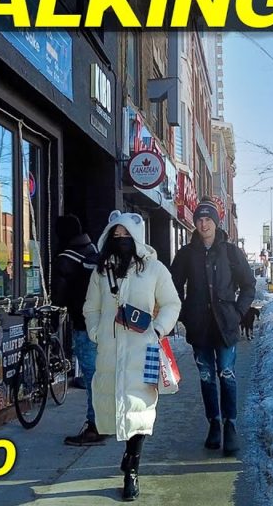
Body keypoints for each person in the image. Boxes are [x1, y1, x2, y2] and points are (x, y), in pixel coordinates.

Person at [83, 211, 181, 501]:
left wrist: (157, 331)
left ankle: (132, 470)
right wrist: (96, 333)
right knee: (112, 403)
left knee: (141, 408)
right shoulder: (101, 272)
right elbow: (91, 308)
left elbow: (171, 304)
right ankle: (128, 455)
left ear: (136, 237)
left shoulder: (155, 269)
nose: (122, 240)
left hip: (144, 350)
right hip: (110, 350)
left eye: (127, 235)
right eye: (117, 235)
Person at [171, 198, 256, 456]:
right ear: (195, 223)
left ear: (216, 222)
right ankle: (214, 424)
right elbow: (172, 287)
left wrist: (239, 312)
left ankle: (230, 424)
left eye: (208, 219)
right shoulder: (186, 254)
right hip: (199, 329)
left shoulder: (231, 253)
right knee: (207, 377)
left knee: (226, 374)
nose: (203, 223)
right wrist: (185, 313)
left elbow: (249, 285)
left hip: (225, 327)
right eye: (199, 219)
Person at [52, 215, 104, 447]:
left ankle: (95, 426)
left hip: (83, 325)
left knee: (92, 377)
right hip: (103, 324)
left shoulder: (66, 259)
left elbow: (59, 299)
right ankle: (105, 422)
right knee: (101, 376)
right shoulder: (94, 251)